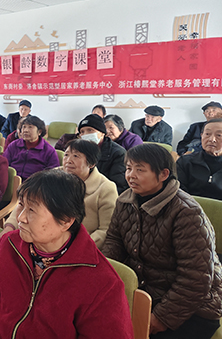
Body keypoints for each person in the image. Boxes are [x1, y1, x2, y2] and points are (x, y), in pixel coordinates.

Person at [0, 169, 133, 339]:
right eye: (21, 205)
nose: (20, 218)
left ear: (66, 221)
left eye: (32, 210)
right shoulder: (10, 245)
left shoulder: (103, 284)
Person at [103, 144, 222, 338]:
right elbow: (114, 243)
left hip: (193, 304)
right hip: (147, 289)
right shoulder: (125, 201)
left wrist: (161, 318)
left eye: (140, 169)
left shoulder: (186, 213)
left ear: (164, 174)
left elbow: (196, 279)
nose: (131, 175)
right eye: (128, 168)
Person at [5, 139, 117, 249]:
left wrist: (78, 247)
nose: (68, 160)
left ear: (91, 163)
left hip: (81, 245)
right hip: (42, 240)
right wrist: (10, 225)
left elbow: (105, 229)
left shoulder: (105, 188)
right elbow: (25, 203)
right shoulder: (52, 177)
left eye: (76, 156)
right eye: (66, 155)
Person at [78, 114, 127, 194]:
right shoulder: (78, 151)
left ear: (102, 133)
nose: (85, 134)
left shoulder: (118, 153)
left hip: (104, 195)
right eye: (82, 132)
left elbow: (118, 186)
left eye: (90, 130)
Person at [177, 118, 222, 200]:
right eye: (207, 134)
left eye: (219, 135)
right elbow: (179, 193)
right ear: (201, 136)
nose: (212, 139)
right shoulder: (185, 161)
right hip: (188, 207)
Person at [3, 115, 58, 181]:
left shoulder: (49, 150)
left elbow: (53, 174)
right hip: (12, 181)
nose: (25, 130)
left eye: (30, 127)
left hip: (35, 184)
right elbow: (4, 164)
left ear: (39, 132)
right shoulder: (14, 145)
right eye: (24, 127)